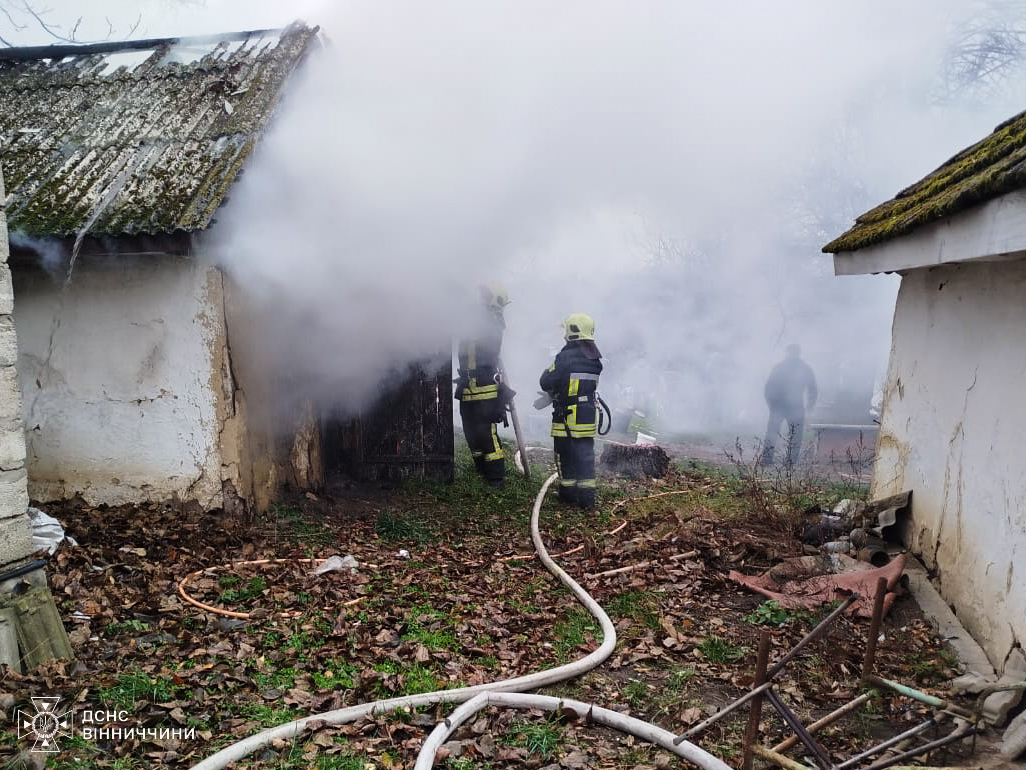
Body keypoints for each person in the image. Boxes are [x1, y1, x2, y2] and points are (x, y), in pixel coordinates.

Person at [539, 313, 603, 509]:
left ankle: (568, 495)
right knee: (585, 457)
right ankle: (587, 500)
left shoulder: (565, 356)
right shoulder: (595, 359)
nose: (564, 335)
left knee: (566, 455)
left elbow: (545, 381)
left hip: (566, 416)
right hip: (586, 415)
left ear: (572, 332)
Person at [455, 285, 511, 488]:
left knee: (486, 433)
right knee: (471, 431)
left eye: (484, 297)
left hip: (485, 387)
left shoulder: (493, 323)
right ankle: (481, 468)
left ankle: (496, 478)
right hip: (467, 386)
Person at [761, 344, 817, 468]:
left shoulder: (780, 367)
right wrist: (809, 407)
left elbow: (768, 389)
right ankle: (789, 462)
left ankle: (768, 460)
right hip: (790, 406)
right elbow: (813, 390)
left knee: (775, 432)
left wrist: (771, 404)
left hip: (782, 406)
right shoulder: (804, 368)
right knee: (793, 435)